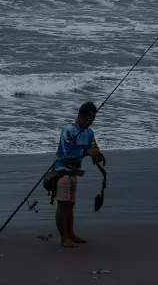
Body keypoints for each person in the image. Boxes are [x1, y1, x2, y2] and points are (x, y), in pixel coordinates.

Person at [51, 101, 104, 247]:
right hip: (61, 172)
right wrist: (86, 152)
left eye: (93, 119)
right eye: (89, 119)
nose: (91, 122)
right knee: (62, 206)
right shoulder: (68, 130)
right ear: (81, 116)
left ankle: (71, 234)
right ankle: (64, 238)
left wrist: (97, 156)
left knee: (70, 205)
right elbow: (66, 154)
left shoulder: (89, 132)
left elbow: (93, 148)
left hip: (74, 173)